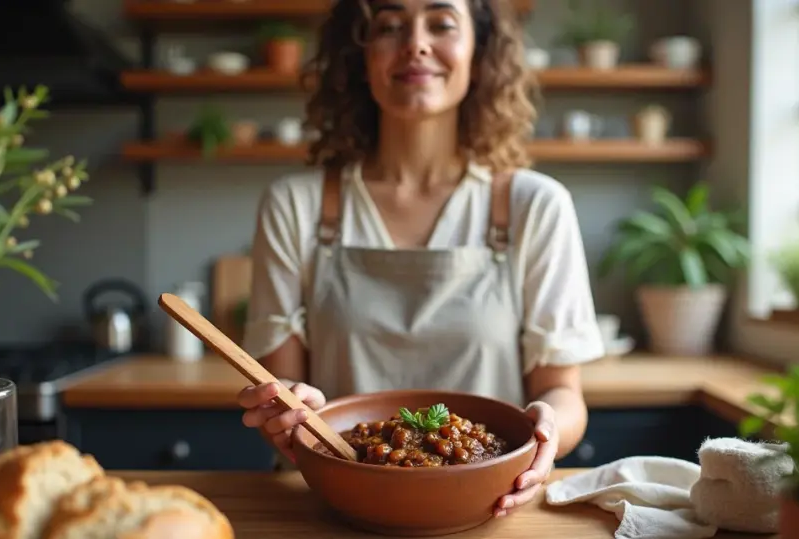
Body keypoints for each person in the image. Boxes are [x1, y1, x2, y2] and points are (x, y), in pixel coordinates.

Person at [238, 0, 605, 517]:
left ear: (479, 54)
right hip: (333, 510)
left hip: (486, 508)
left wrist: (549, 428)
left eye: (441, 23)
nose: (416, 43)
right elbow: (288, 393)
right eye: (389, 25)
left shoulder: (534, 205)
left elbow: (562, 393)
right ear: (358, 57)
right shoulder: (294, 206)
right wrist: (289, 416)